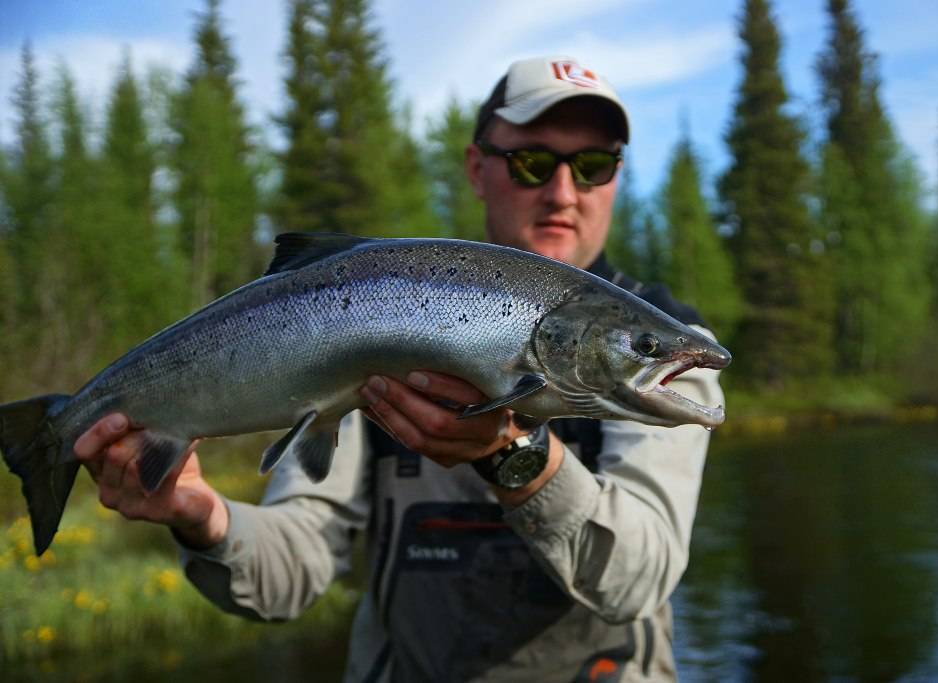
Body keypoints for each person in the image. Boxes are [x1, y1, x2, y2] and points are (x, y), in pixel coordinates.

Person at [75, 56, 725, 682]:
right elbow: (291, 572)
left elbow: (640, 577)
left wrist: (513, 456)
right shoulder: (385, 323)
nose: (562, 191)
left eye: (592, 164)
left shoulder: (668, 348)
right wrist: (203, 517)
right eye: (531, 162)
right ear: (476, 167)